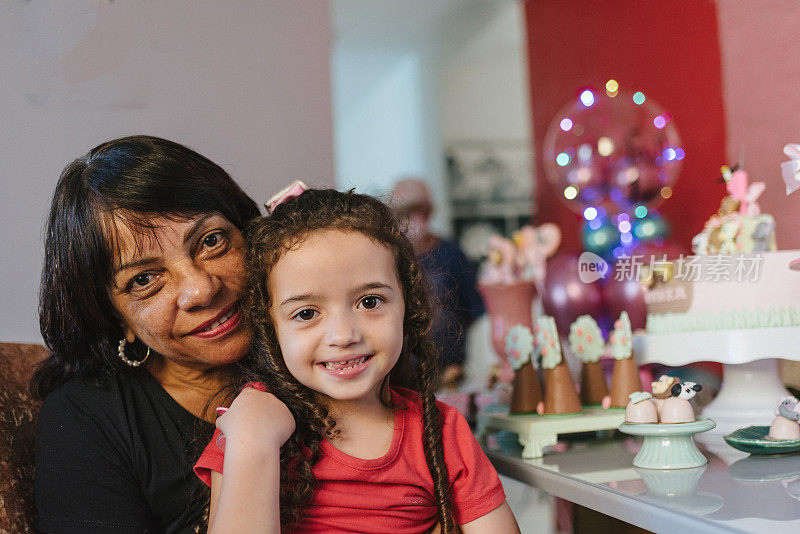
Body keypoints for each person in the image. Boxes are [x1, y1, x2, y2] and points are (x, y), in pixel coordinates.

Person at [194, 186, 520, 533]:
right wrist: (252, 440)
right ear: (270, 327)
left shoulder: (440, 430)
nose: (344, 334)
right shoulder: (247, 424)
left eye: (369, 302)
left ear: (407, 305)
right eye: (306, 313)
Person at [32, 135, 261, 533]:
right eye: (145, 279)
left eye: (211, 241)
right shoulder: (87, 422)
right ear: (113, 315)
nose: (200, 289)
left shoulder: (341, 351)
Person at [389, 178, 484, 387]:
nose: (414, 218)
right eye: (406, 211)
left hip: (449, 371)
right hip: (397, 375)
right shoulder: (387, 258)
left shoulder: (451, 253)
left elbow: (474, 307)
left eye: (421, 210)